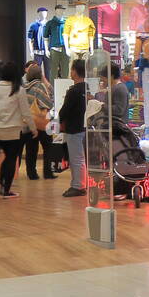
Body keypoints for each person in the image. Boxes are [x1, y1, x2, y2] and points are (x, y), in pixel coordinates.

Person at [0, 61, 35, 198]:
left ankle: (0, 183)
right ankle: (6, 190)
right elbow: (26, 113)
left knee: (8, 158)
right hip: (13, 130)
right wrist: (33, 128)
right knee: (11, 158)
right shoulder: (19, 90)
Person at [22, 63, 57, 181]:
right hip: (41, 123)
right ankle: (47, 172)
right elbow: (48, 103)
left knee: (31, 149)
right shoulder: (40, 86)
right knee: (48, 148)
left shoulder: (25, 87)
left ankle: (31, 173)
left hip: (29, 123)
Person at [59, 58, 88, 197]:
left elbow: (65, 110)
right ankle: (80, 184)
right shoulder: (86, 88)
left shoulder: (73, 91)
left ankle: (78, 185)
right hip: (84, 127)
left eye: (71, 69)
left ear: (75, 72)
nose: (70, 72)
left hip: (73, 128)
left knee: (76, 158)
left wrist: (59, 118)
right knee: (80, 157)